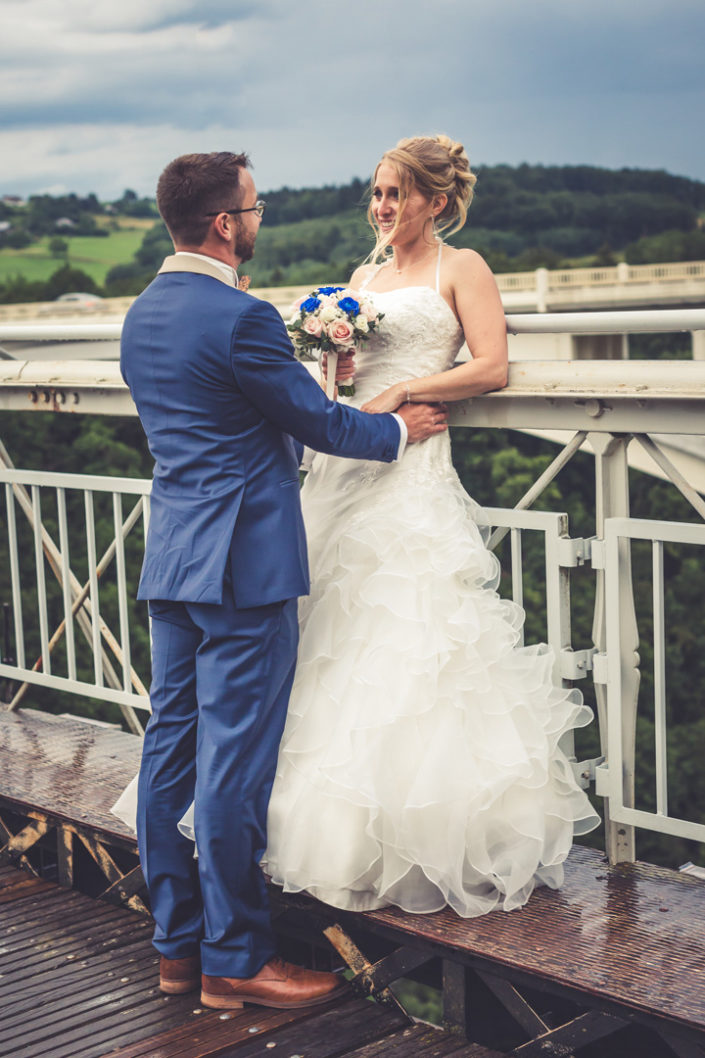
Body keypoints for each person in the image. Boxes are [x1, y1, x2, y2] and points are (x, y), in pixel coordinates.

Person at [115, 150, 447, 1011]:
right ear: (225, 223)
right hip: (244, 570)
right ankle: (235, 960)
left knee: (168, 751)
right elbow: (312, 422)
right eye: (254, 208)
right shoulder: (241, 317)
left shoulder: (142, 315)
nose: (260, 220)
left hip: (174, 559)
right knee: (232, 767)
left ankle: (175, 950)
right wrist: (398, 430)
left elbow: (221, 422)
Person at [258, 134, 600, 916]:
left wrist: (402, 388)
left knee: (411, 630)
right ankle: (304, 819)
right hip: (348, 460)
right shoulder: (363, 276)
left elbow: (490, 366)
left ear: (434, 203)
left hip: (411, 465)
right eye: (375, 194)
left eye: (395, 194)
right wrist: (337, 369)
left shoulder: (462, 267)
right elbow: (342, 380)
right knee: (323, 623)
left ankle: (409, 833)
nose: (380, 208)